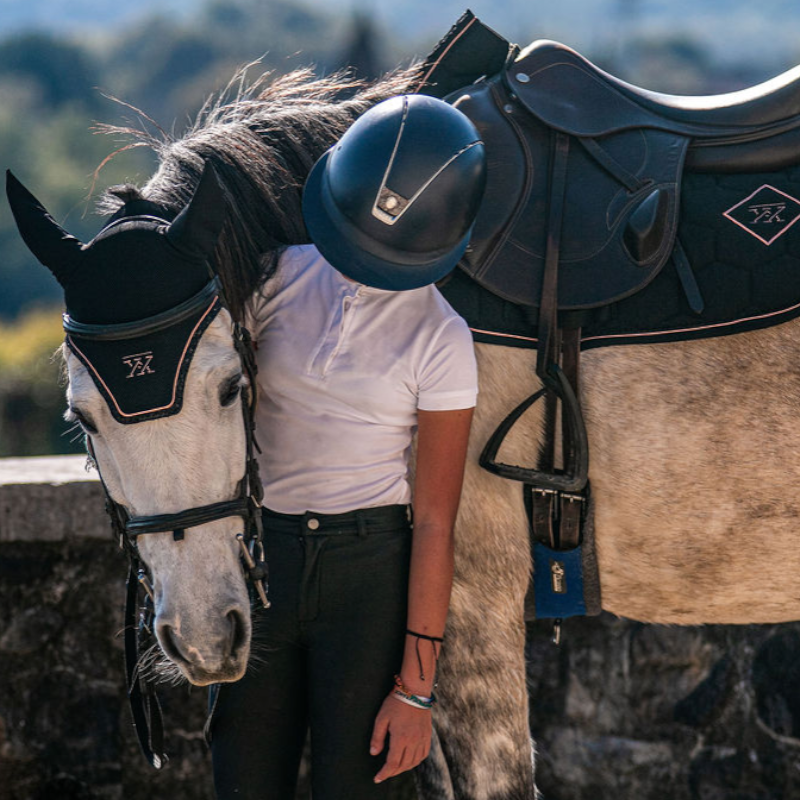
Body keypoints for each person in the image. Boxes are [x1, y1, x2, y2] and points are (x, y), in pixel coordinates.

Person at [207, 94, 487, 799]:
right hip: (262, 559)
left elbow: (434, 522)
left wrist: (416, 691)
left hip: (368, 576)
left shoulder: (442, 337)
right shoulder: (273, 277)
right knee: (241, 782)